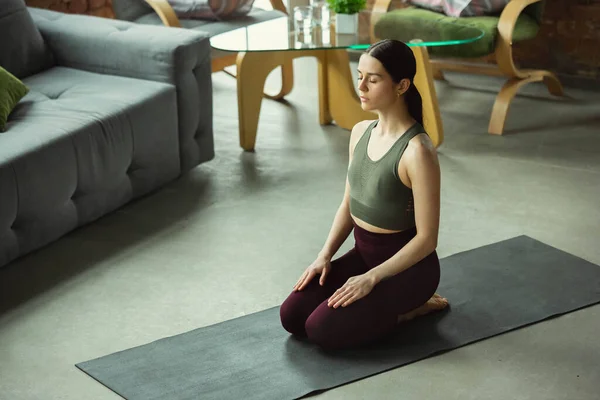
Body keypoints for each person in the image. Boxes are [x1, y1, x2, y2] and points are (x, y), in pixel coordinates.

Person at [279, 39, 449, 351]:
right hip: (364, 255)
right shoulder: (360, 132)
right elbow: (349, 202)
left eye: (373, 79)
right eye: (359, 76)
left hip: (409, 270)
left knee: (320, 330)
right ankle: (379, 302)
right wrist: (324, 255)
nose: (362, 86)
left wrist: (371, 278)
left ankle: (412, 310)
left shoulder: (418, 151)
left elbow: (427, 240)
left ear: (401, 86)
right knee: (292, 316)